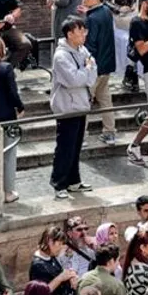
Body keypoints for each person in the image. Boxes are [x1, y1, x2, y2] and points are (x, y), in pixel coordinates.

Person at [50, 17, 97, 198]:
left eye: (84, 31)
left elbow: (93, 71)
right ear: (70, 34)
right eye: (80, 31)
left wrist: (85, 71)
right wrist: (86, 70)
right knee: (65, 146)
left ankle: (74, 180)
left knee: (76, 145)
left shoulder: (82, 49)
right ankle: (59, 183)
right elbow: (73, 80)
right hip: (67, 106)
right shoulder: (61, 56)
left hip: (81, 103)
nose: (84, 35)